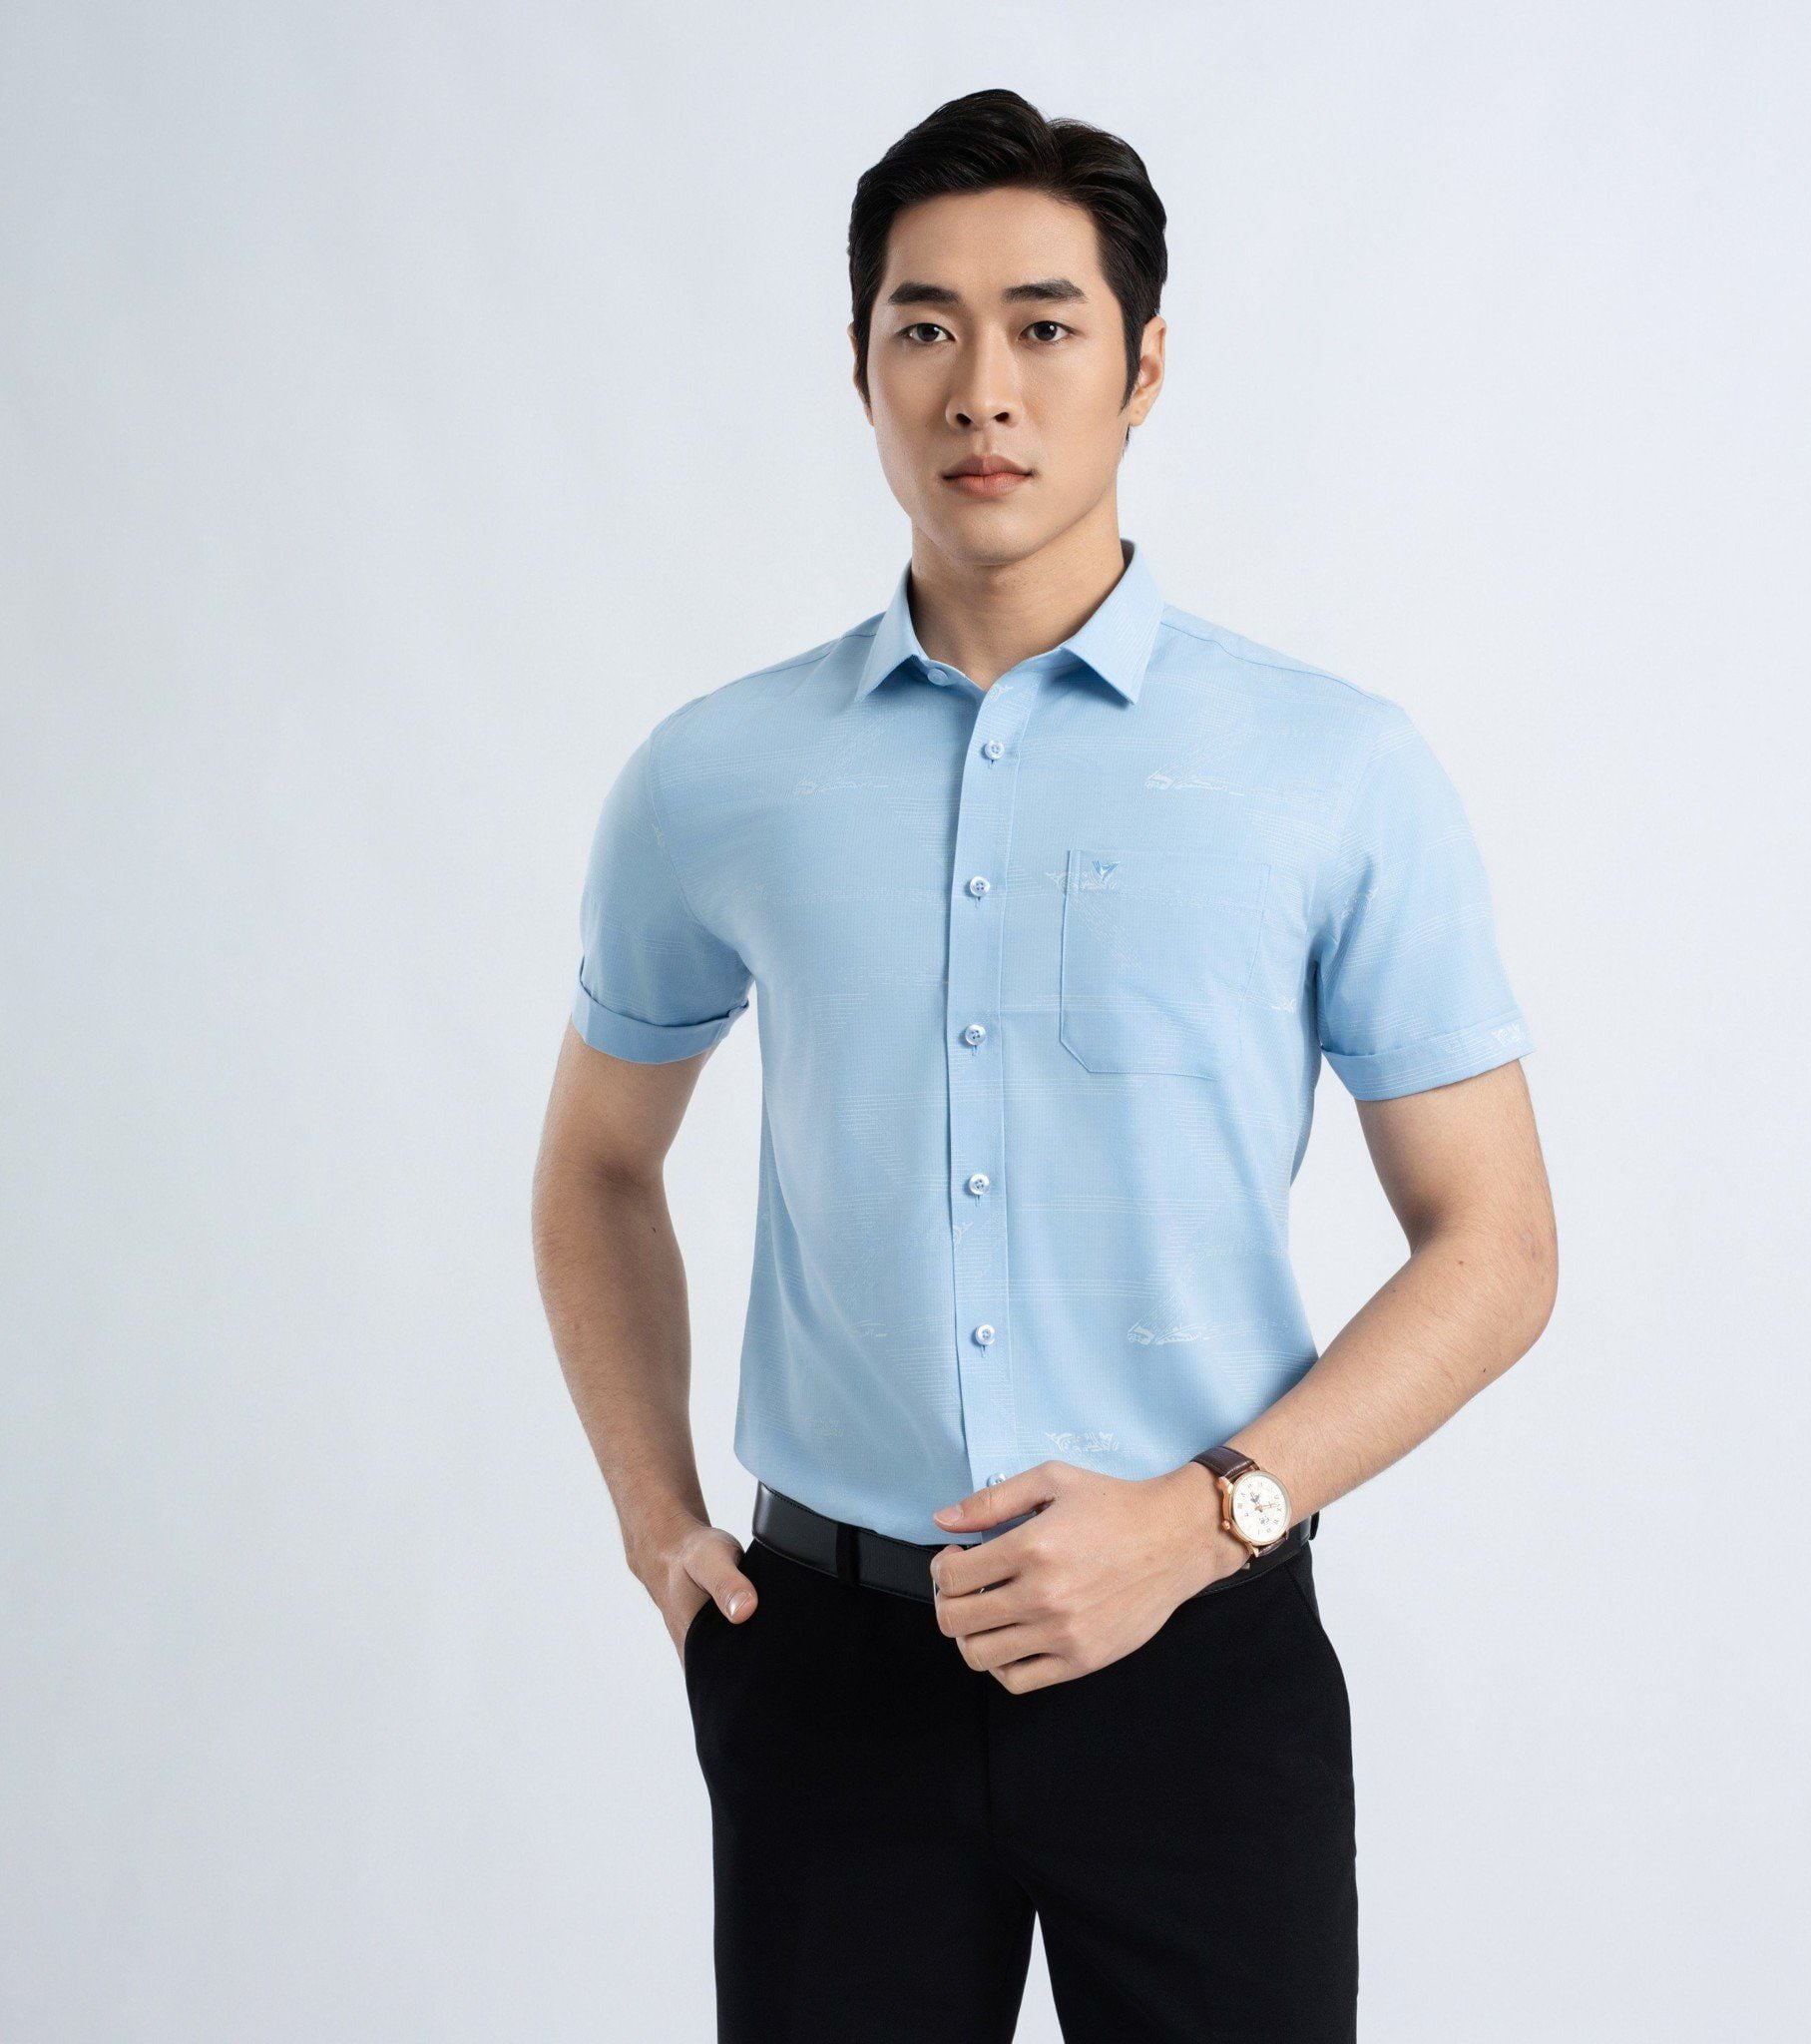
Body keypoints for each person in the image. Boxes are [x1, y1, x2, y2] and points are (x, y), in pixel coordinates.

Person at [532, 85, 1557, 2044]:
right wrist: (658, 1519)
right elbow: (595, 1161)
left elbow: (1496, 1244)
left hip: (1201, 1658)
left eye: (1044, 324)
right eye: (924, 326)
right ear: (860, 366)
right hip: (831, 1677)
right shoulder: (715, 775)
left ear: (1143, 365)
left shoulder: (1331, 769)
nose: (981, 388)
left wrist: (1210, 1518)